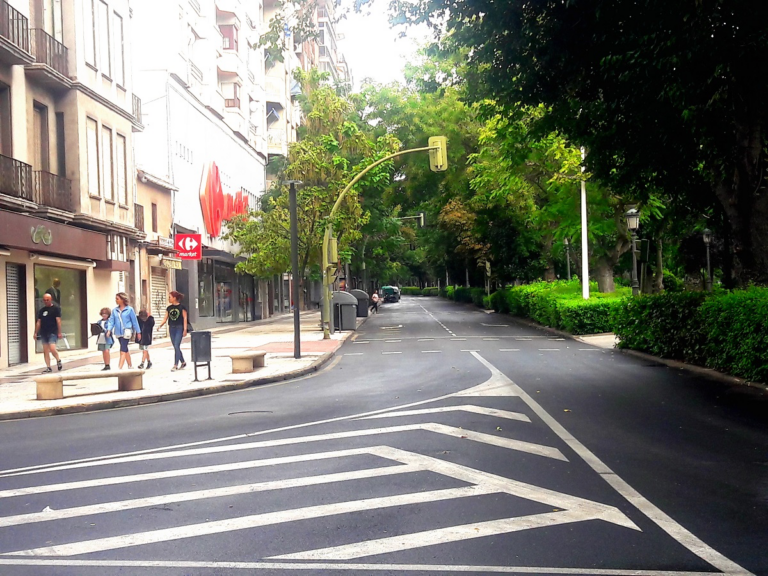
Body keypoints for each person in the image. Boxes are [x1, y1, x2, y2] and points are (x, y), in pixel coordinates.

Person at [105, 292, 141, 370]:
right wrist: (109, 330)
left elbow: (134, 321)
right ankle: (130, 365)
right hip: (118, 332)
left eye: (117, 299)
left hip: (127, 332)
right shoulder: (115, 310)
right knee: (125, 349)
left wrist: (138, 332)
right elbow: (111, 321)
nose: (116, 300)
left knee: (122, 349)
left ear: (122, 299)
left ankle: (119, 368)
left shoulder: (130, 309)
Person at [157, 291, 188, 371]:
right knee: (175, 346)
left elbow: (185, 318)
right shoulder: (169, 308)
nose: (169, 299)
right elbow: (165, 318)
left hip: (179, 328)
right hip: (171, 328)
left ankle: (175, 365)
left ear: (174, 298)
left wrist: (185, 329)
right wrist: (160, 325)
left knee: (177, 346)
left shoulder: (182, 307)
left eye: (170, 297)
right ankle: (183, 362)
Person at [34, 293, 62, 373]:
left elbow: (58, 321)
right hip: (44, 332)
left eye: (48, 300)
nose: (46, 301)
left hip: (53, 331)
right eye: (44, 300)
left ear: (51, 299)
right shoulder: (42, 311)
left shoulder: (56, 309)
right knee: (45, 350)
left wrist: (59, 332)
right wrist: (35, 332)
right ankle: (48, 367)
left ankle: (58, 360)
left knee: (52, 348)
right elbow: (39, 322)